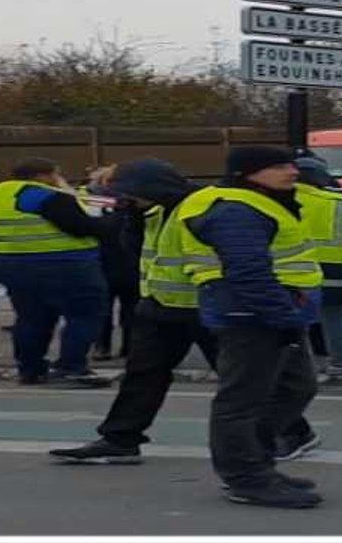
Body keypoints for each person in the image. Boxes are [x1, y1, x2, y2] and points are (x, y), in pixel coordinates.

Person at [178, 147, 324, 509]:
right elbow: (248, 271)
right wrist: (282, 318)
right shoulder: (237, 210)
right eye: (278, 166)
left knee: (296, 387)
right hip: (251, 315)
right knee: (242, 400)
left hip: (273, 312)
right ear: (248, 173)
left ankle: (258, 464)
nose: (291, 171)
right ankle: (245, 477)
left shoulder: (261, 202)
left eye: (290, 164)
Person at [49, 158, 218, 464]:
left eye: (130, 194)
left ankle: (289, 431)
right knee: (142, 375)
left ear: (152, 188)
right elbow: (135, 250)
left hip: (209, 307)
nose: (126, 200)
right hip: (162, 307)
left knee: (242, 378)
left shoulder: (204, 206)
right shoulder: (149, 211)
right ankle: (120, 438)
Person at [0, 157, 114, 387]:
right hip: (63, 263)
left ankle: (30, 370)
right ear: (42, 175)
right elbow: (79, 227)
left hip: (9, 263)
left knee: (31, 318)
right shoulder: (43, 194)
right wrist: (111, 225)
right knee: (85, 314)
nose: (58, 179)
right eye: (56, 174)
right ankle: (70, 369)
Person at [294, 157, 342, 381]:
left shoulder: (277, 199)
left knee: (294, 319)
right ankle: (340, 363)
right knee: (335, 316)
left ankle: (297, 365)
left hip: (295, 267)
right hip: (339, 268)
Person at [85, 165, 141, 361]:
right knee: (131, 307)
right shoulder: (134, 202)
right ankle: (129, 346)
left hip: (100, 260)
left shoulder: (89, 201)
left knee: (102, 308)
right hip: (129, 260)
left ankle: (102, 347)